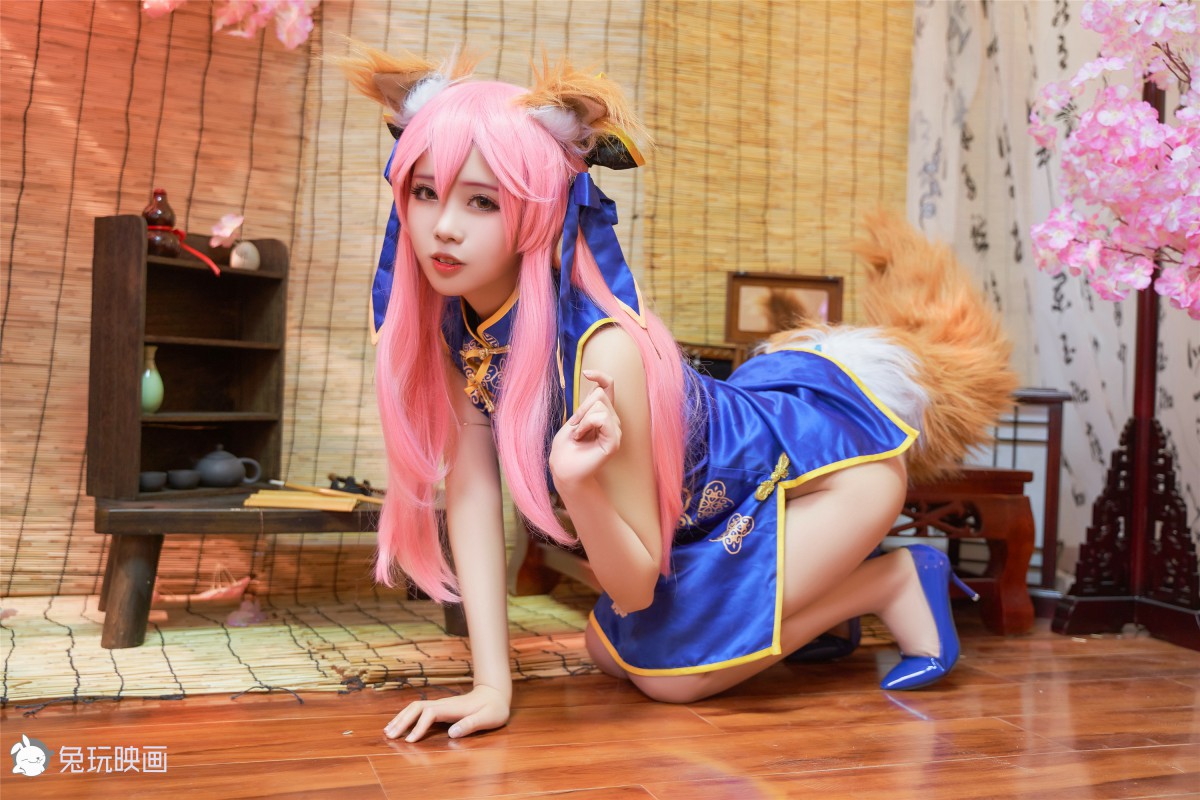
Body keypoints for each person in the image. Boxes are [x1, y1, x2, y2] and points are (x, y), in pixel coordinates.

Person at [339, 46, 1018, 743]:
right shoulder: (461, 331)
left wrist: (578, 484)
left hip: (830, 477)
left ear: (538, 210)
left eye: (482, 201)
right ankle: (811, 609)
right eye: (425, 192)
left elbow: (634, 587)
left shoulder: (603, 348)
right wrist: (490, 687)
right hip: (702, 523)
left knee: (670, 678)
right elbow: (474, 494)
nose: (444, 226)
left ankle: (894, 581)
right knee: (609, 653)